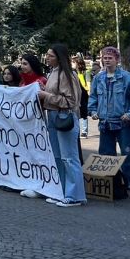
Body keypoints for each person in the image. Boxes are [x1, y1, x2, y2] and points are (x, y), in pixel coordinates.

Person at [88, 46, 130, 193]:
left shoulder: (126, 77)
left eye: (110, 58)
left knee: (128, 153)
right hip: (105, 123)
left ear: (117, 60)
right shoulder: (98, 78)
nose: (107, 60)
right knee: (106, 154)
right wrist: (93, 110)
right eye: (104, 58)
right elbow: (93, 97)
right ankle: (110, 181)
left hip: (123, 122)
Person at [38, 44, 87, 207]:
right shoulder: (53, 72)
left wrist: (46, 95)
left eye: (50, 55)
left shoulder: (67, 74)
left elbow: (71, 101)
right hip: (53, 115)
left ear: (59, 57)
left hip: (64, 115)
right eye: (47, 55)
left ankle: (74, 196)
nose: (47, 58)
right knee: (58, 156)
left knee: (68, 157)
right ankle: (62, 191)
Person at [73, 54, 91, 138]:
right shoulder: (74, 72)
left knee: (83, 112)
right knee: (77, 111)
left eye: (74, 62)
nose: (73, 64)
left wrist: (89, 93)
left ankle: (84, 131)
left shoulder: (85, 72)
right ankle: (78, 130)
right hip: (76, 93)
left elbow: (88, 83)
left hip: (84, 94)